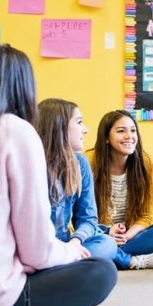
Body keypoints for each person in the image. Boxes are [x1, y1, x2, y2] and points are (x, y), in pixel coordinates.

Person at [0, 44, 116, 306]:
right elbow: (37, 252)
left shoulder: (77, 163)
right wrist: (69, 252)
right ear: (24, 87)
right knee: (101, 271)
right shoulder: (16, 131)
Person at [86, 110, 153, 270]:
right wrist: (108, 233)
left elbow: (145, 215)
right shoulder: (89, 162)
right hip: (99, 233)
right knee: (86, 240)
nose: (129, 136)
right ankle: (132, 261)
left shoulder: (145, 163)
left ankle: (109, 255)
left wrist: (126, 236)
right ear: (107, 138)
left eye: (133, 130)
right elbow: (82, 214)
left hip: (129, 236)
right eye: (121, 131)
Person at [37, 98, 117, 261]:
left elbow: (88, 218)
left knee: (106, 243)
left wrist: (75, 241)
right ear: (59, 126)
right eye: (79, 122)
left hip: (66, 243)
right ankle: (65, 264)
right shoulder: (30, 162)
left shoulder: (80, 163)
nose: (85, 130)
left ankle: (59, 263)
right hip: (37, 246)